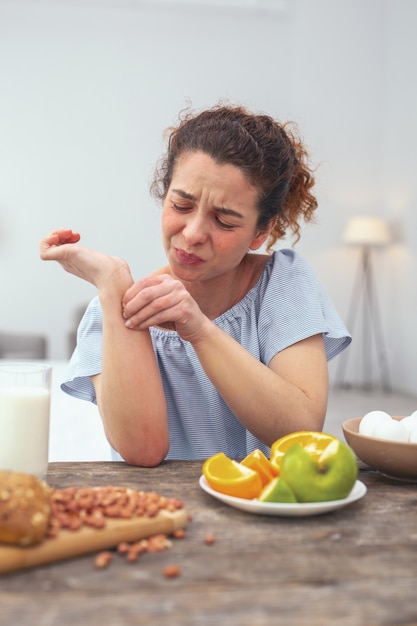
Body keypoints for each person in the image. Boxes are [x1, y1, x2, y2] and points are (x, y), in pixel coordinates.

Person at [40, 103, 351, 467]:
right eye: (181, 205)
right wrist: (112, 283)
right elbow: (143, 449)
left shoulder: (281, 283)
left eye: (224, 220)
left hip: (265, 511)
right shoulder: (108, 313)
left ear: (261, 232)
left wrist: (199, 329)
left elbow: (301, 430)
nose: (193, 234)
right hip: (160, 514)